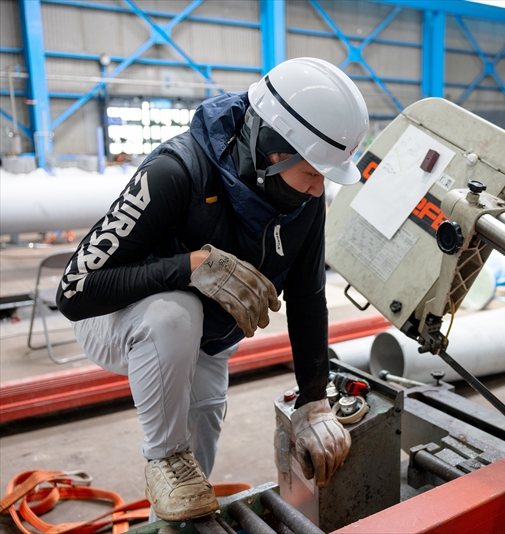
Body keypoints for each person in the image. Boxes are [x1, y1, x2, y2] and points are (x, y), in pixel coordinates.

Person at [56, 57, 369, 521]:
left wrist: (314, 399)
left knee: (195, 465)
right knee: (175, 313)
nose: (317, 188)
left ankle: (174, 509)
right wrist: (187, 267)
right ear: (274, 151)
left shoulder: (306, 199)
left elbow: (307, 296)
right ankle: (161, 457)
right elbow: (74, 292)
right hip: (123, 318)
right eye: (313, 172)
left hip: (210, 339)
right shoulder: (175, 172)